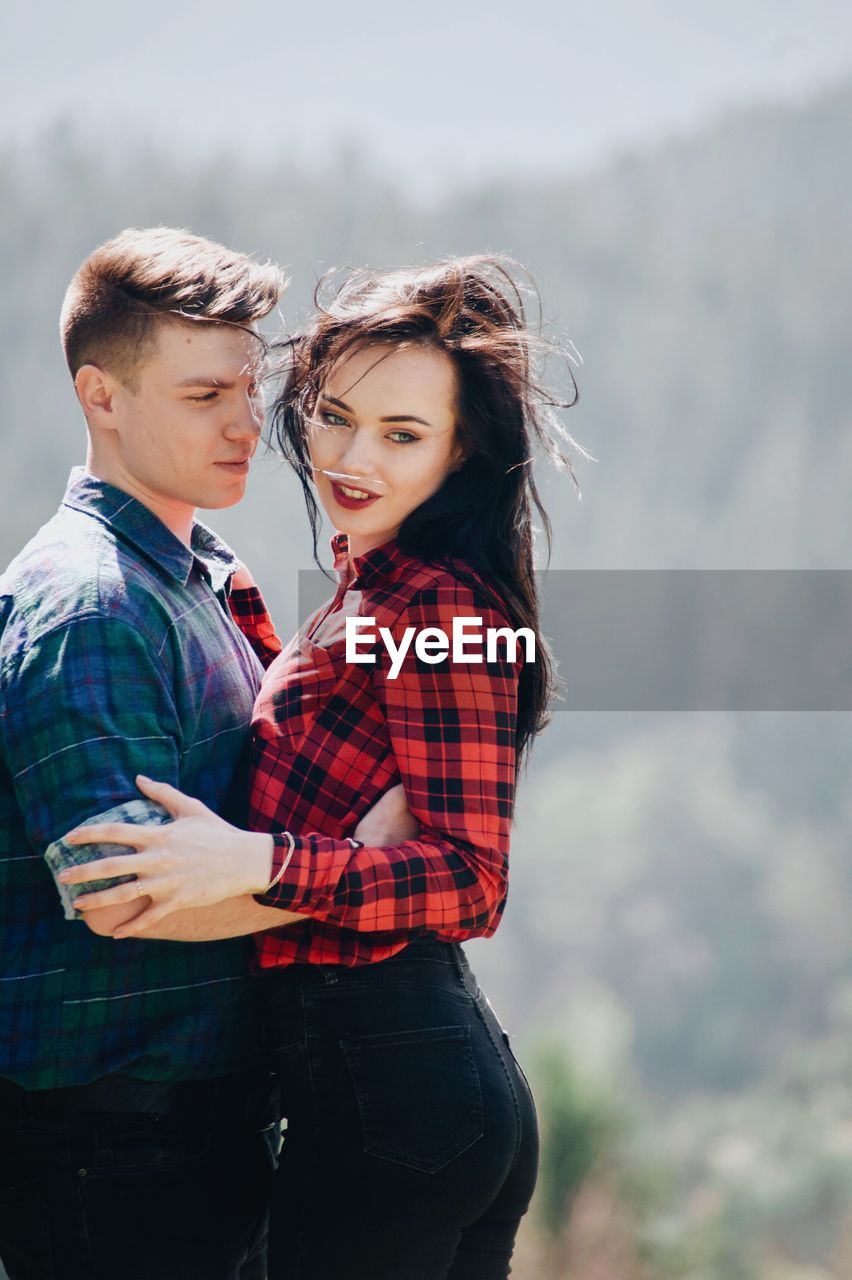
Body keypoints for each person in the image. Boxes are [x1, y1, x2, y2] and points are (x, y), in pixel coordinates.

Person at [61, 256, 585, 1279]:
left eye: (402, 434)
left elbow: (472, 879)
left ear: (461, 448)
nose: (353, 457)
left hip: (392, 1082)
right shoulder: (372, 595)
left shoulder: (437, 607)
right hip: (406, 1084)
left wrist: (265, 862)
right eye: (334, 415)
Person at [0, 226, 296, 1280]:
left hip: (194, 1136)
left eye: (247, 388)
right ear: (102, 395)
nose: (244, 421)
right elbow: (122, 893)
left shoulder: (192, 567)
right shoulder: (94, 600)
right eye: (203, 394)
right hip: (114, 1157)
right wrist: (359, 878)